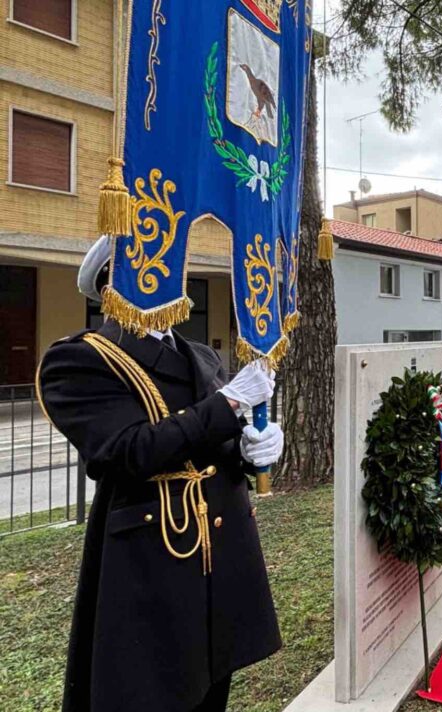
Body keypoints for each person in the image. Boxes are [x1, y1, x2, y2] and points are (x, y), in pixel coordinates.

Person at [37, 236, 283, 712]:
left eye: (175, 268)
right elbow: (128, 452)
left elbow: (212, 446)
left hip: (221, 557)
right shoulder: (82, 359)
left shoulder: (201, 356)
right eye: (158, 267)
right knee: (154, 689)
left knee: (214, 686)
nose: (175, 281)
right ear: (117, 285)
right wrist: (230, 403)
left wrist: (251, 453)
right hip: (156, 562)